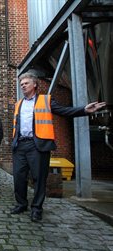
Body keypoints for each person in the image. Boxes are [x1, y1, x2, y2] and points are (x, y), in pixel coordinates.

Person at [11, 71, 106, 222]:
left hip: (38, 145)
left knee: (39, 178)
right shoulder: (18, 104)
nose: (23, 86)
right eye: (21, 84)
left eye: (26, 83)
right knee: (19, 177)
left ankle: (36, 209)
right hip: (20, 145)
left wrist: (84, 110)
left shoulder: (46, 101)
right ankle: (21, 204)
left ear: (35, 84)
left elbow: (64, 111)